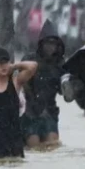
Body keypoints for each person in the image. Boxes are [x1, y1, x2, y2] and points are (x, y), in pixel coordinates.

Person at [21, 20, 65, 148]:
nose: (50, 46)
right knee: (34, 146)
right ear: (42, 43)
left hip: (50, 110)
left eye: (54, 43)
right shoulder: (30, 60)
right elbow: (22, 84)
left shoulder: (60, 64)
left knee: (52, 145)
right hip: (30, 111)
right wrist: (34, 104)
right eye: (48, 43)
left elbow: (64, 91)